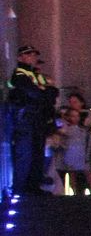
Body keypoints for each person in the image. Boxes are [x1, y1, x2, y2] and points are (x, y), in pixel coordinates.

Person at [8, 45, 57, 192]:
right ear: (20, 57)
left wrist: (44, 92)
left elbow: (52, 92)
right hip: (25, 119)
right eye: (28, 54)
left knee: (37, 154)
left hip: (38, 119)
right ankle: (20, 188)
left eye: (34, 54)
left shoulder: (35, 75)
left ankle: (33, 187)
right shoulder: (20, 74)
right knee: (25, 154)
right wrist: (44, 92)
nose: (33, 57)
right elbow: (33, 93)